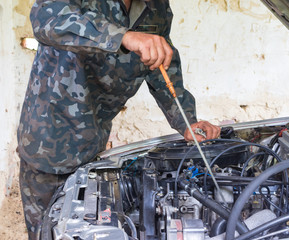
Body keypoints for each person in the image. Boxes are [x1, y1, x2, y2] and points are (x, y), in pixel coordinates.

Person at [17, 0, 220, 239]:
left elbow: (162, 67)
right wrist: (123, 36)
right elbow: (46, 18)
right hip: (48, 144)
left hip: (93, 146)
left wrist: (187, 121)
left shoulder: (157, 7)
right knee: (48, 232)